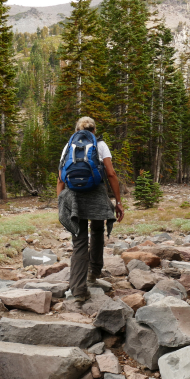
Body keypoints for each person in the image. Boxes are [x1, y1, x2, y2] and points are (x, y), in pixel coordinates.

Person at [57, 116, 124, 302]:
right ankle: (92, 275)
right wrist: (118, 202)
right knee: (96, 232)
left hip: (74, 197)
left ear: (77, 130)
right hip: (96, 195)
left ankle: (78, 291)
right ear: (94, 130)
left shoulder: (69, 145)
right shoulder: (100, 145)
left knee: (79, 241)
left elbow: (61, 177)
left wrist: (60, 201)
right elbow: (110, 173)